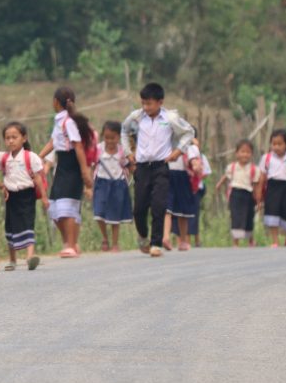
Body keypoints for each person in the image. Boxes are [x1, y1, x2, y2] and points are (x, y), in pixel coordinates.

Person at [121, 83, 194, 258]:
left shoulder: (170, 118)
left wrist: (177, 152)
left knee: (159, 205)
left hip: (161, 167)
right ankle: (144, 236)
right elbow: (124, 131)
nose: (146, 107)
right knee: (139, 208)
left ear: (160, 102)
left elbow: (189, 132)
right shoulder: (136, 118)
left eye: (150, 104)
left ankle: (156, 243)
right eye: (143, 103)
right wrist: (128, 153)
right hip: (142, 167)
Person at [38, 86, 94, 258]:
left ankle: (70, 244)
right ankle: (70, 243)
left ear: (55, 102)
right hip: (62, 164)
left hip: (72, 165)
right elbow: (53, 142)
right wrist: (38, 156)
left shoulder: (69, 122)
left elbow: (77, 146)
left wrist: (84, 171)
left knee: (66, 206)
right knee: (54, 207)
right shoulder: (59, 121)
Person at [0, 121, 48, 271]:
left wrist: (44, 198)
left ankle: (30, 257)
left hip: (27, 195)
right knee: (11, 226)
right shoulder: (4, 158)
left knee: (27, 223)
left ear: (24, 138)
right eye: (7, 138)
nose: (11, 140)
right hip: (11, 197)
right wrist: (2, 186)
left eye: (14, 137)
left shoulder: (30, 157)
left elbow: (38, 177)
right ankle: (12, 260)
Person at [92, 121, 132, 252]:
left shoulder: (122, 151)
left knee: (115, 215)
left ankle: (115, 244)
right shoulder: (98, 149)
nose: (109, 141)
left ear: (119, 137)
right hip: (101, 183)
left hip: (118, 184)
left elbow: (129, 165)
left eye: (113, 137)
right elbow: (90, 164)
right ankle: (105, 237)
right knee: (99, 212)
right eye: (106, 137)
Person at [215, 139, 262, 247]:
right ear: (237, 153)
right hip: (235, 194)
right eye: (242, 151)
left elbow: (256, 185)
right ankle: (235, 241)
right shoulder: (232, 167)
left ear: (251, 154)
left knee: (249, 217)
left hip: (248, 195)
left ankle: (251, 240)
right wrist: (219, 184)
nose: (245, 154)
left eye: (248, 152)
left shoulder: (254, 169)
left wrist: (258, 200)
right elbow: (226, 177)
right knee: (235, 217)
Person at [259, 129, 286, 248]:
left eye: (279, 144)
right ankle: (275, 240)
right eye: (274, 144)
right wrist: (260, 192)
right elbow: (262, 176)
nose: (276, 147)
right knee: (272, 212)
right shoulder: (266, 158)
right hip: (272, 187)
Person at [161, 137, 202, 252]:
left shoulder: (189, 145)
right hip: (169, 175)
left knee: (181, 211)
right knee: (168, 208)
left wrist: (195, 165)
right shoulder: (165, 141)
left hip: (182, 177)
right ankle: (167, 237)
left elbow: (194, 159)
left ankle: (180, 240)